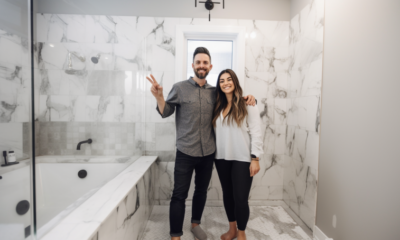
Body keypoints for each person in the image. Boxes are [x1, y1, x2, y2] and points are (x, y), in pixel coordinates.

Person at [146, 47, 256, 240]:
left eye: (205, 63)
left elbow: (233, 99)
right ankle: (175, 236)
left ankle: (195, 223)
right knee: (179, 194)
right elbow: (166, 112)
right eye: (198, 62)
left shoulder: (215, 92)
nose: (202, 66)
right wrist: (159, 97)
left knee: (201, 191)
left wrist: (250, 98)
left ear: (210, 66)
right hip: (185, 151)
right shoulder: (180, 88)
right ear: (193, 65)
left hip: (208, 154)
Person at [212, 69, 263, 240]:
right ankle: (232, 229)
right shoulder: (217, 106)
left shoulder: (247, 104)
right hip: (221, 158)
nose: (225, 83)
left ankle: (241, 233)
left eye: (228, 79)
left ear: (234, 82)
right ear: (219, 85)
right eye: (221, 81)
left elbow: (256, 132)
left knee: (240, 199)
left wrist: (255, 158)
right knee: (228, 194)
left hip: (242, 158)